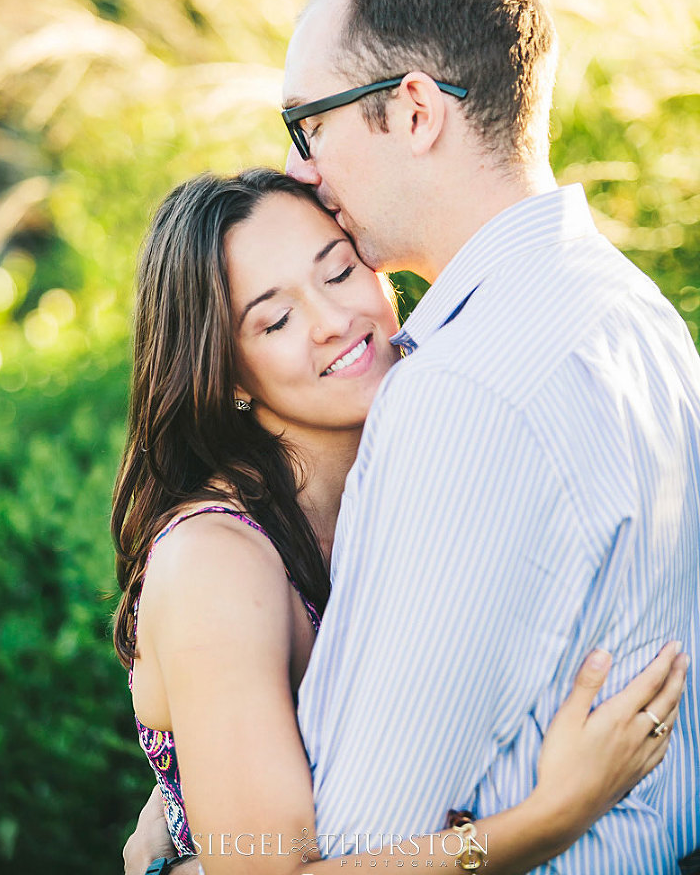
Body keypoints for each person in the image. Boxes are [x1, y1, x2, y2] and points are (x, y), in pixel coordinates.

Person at [115, 169, 687, 875]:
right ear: (226, 372)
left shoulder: (428, 433)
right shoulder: (217, 563)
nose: (332, 321)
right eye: (275, 320)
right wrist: (554, 817)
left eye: (340, 272)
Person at [278, 0, 700, 873]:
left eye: (310, 125)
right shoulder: (638, 313)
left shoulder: (467, 389)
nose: (305, 167)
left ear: (415, 109)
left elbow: (361, 832)